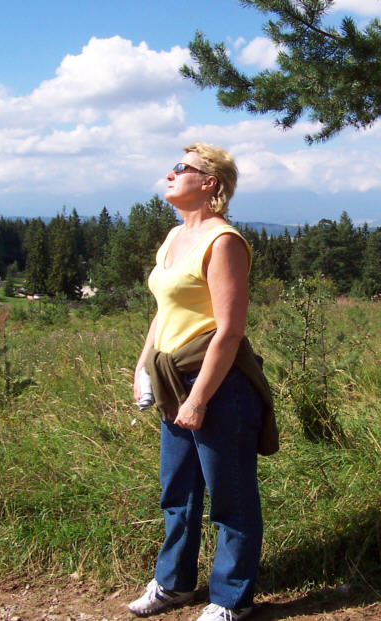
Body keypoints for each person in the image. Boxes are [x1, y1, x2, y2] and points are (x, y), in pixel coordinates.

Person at [128, 143, 276, 621]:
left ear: (209, 182)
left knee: (230, 496)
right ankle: (173, 583)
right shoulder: (174, 237)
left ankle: (231, 599)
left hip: (218, 383)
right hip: (172, 377)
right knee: (178, 491)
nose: (170, 173)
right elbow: (164, 311)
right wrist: (143, 365)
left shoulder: (223, 242)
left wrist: (198, 399)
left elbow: (229, 331)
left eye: (181, 168)